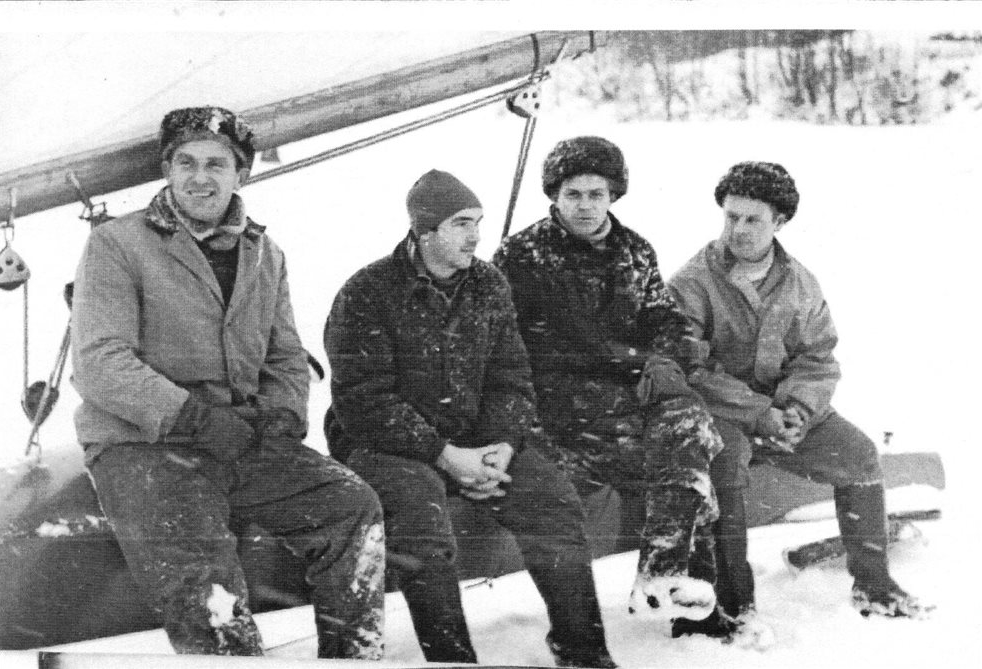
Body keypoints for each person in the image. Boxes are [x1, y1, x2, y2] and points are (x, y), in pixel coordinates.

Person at [71, 106, 385, 659]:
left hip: (239, 438)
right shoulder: (117, 244)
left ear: (241, 174)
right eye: (186, 163)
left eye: (216, 164)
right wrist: (195, 419)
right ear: (167, 170)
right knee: (209, 593)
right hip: (144, 445)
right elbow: (100, 362)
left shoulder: (265, 253)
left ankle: (353, 658)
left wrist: (279, 418)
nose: (200, 178)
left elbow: (285, 355)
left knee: (349, 505)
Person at [324, 169, 616, 668]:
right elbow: (362, 401)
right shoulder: (368, 291)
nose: (475, 236)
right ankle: (453, 660)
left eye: (477, 222)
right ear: (425, 230)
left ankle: (583, 652)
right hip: (386, 446)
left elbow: (511, 377)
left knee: (553, 500)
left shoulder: (488, 284)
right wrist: (444, 455)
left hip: (475, 440)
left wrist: (502, 445)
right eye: (461, 224)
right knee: (422, 522)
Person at [667, 161, 932, 639]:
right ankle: (730, 608)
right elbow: (688, 368)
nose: (738, 229)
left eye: (753, 219)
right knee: (724, 468)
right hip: (719, 413)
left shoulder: (800, 282)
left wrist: (798, 411)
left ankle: (874, 586)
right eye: (731, 217)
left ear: (780, 222)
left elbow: (818, 357)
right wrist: (759, 413)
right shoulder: (692, 282)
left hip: (784, 414)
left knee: (858, 456)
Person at [493, 137, 727, 640]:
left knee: (688, 425)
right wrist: (636, 361)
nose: (584, 206)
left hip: (628, 395)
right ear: (554, 196)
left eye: (595, 194)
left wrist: (665, 357)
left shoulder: (634, 250)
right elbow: (526, 345)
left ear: (613, 195)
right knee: (689, 467)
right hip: (560, 405)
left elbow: (662, 316)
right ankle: (678, 596)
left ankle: (665, 576)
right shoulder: (522, 255)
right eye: (573, 194)